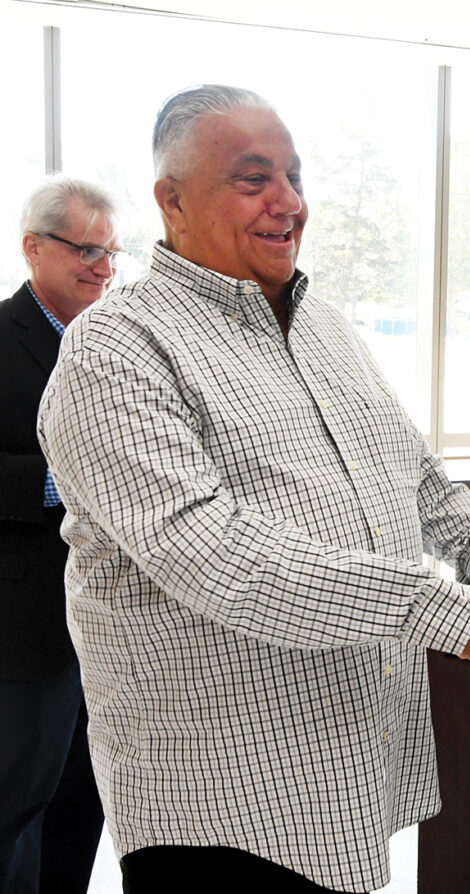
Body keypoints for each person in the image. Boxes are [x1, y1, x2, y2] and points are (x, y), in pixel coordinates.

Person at [36, 85, 470, 894]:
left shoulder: (327, 326)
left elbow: (414, 473)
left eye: (295, 176)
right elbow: (214, 554)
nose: (288, 202)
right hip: (218, 806)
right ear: (172, 202)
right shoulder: (115, 347)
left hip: (349, 776)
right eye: (254, 180)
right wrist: (453, 615)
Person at [1, 177, 121, 893]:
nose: (103, 268)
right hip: (28, 630)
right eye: (86, 250)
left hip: (109, 630)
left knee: (84, 806)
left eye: (111, 253)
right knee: (18, 809)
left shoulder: (111, 351)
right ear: (33, 248)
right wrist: (65, 480)